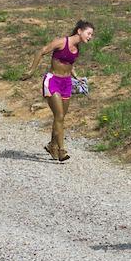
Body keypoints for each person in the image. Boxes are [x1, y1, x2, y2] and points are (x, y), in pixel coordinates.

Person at [26, 21, 95, 162]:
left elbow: (69, 64)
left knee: (61, 117)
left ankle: (52, 145)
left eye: (91, 34)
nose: (90, 37)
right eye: (89, 33)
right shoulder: (62, 42)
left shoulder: (77, 48)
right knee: (59, 115)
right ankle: (61, 150)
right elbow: (42, 51)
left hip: (67, 83)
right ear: (79, 31)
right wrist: (31, 71)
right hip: (53, 81)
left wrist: (77, 77)